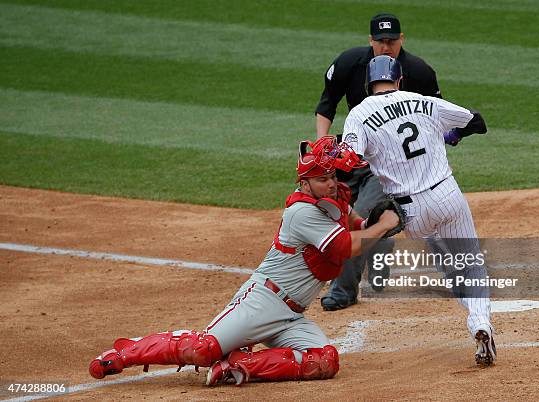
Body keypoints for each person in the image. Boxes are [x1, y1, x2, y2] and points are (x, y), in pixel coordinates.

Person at [88, 137, 400, 385]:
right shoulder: (301, 212)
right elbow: (345, 247)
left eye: (332, 176)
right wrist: (384, 226)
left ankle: (237, 365)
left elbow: (354, 225)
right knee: (203, 349)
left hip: (290, 316)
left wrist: (369, 223)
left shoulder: (333, 202)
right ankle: (125, 352)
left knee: (324, 359)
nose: (331, 184)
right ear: (305, 184)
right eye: (322, 179)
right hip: (262, 301)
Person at [341, 55, 496, 366]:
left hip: (409, 213)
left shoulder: (359, 114)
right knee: (471, 264)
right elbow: (477, 122)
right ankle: (480, 322)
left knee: (448, 264)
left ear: (369, 84)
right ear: (399, 81)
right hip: (448, 196)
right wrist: (452, 134)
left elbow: (347, 164)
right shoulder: (421, 100)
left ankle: (471, 307)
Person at [315, 12, 442, 311]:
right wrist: (323, 147)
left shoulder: (419, 72)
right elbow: (326, 106)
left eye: (392, 41)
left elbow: (435, 119)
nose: (386, 46)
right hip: (352, 156)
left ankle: (343, 291)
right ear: (370, 41)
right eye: (380, 41)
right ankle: (380, 248)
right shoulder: (349, 63)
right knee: (335, 212)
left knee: (359, 215)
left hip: (387, 166)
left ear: (402, 40)